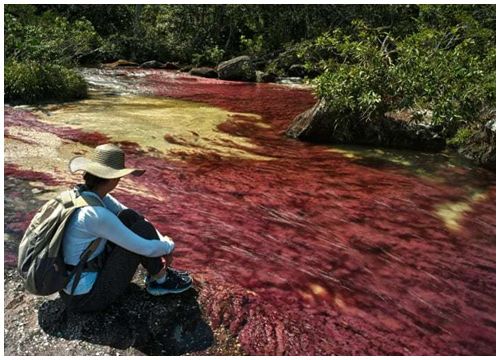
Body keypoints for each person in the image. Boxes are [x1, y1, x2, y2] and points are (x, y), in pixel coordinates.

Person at [59, 143, 191, 312]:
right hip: (85, 299)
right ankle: (161, 280)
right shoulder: (96, 215)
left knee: (130, 218)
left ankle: (159, 274)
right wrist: (169, 246)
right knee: (141, 231)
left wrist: (161, 240)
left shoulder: (81, 195)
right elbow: (145, 247)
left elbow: (129, 214)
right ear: (114, 179)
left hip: (71, 284)